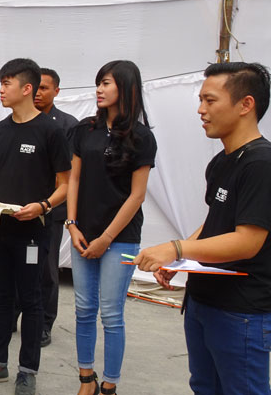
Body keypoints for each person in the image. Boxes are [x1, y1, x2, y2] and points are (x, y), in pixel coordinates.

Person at [135, 62, 271, 395]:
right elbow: (214, 222)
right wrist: (178, 258)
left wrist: (177, 249)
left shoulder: (262, 164)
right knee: (205, 387)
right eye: (200, 100)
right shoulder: (222, 161)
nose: (201, 110)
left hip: (241, 311)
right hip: (203, 301)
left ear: (245, 105)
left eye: (210, 101)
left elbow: (247, 241)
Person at [0, 58, 71, 395]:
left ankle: (27, 369)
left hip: (34, 231)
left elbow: (65, 184)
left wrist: (44, 206)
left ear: (27, 88)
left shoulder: (51, 131)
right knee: (1, 297)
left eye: (7, 83)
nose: (1, 89)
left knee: (32, 299)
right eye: (0, 82)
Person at [67, 60, 156, 395]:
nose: (99, 89)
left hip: (119, 239)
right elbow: (74, 178)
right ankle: (86, 379)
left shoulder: (142, 137)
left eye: (106, 83)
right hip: (82, 234)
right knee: (83, 309)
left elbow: (137, 196)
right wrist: (72, 224)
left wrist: (106, 238)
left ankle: (110, 384)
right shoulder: (84, 130)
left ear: (126, 87)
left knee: (111, 313)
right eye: (98, 83)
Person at [34, 67, 77, 347]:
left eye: (45, 88)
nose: (38, 93)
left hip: (51, 208)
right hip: (21, 205)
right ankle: (12, 315)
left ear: (56, 91)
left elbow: (70, 173)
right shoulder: (18, 120)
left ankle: (44, 323)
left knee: (47, 269)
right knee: (17, 265)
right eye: (35, 87)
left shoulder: (67, 125)